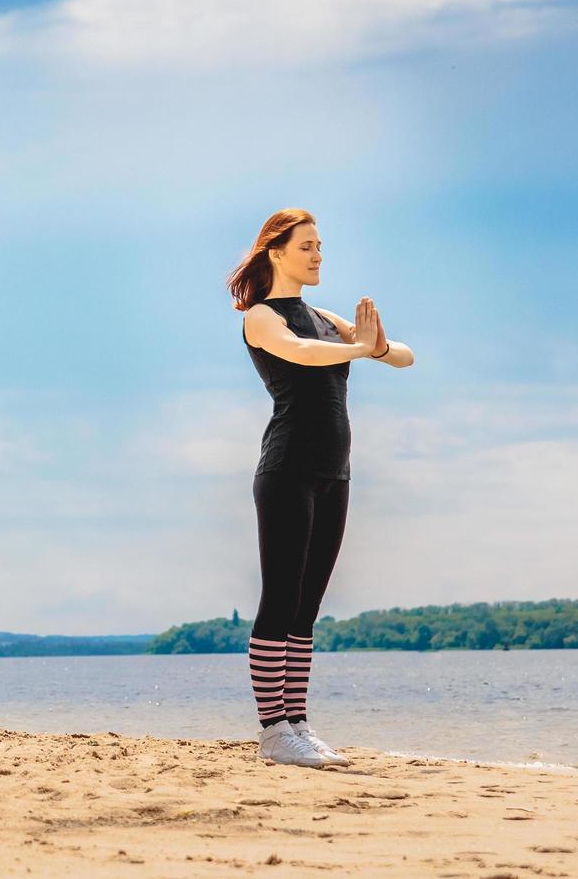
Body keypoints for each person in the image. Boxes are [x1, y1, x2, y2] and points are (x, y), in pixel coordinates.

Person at [225, 208, 414, 768]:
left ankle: (298, 724)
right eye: (306, 246)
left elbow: (403, 355)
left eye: (321, 246)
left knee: (306, 610)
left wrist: (373, 346)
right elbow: (302, 354)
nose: (317, 255)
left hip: (336, 474)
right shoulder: (261, 318)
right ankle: (273, 732)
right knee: (279, 600)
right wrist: (359, 349)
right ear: (275, 252)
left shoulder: (325, 317)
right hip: (286, 471)